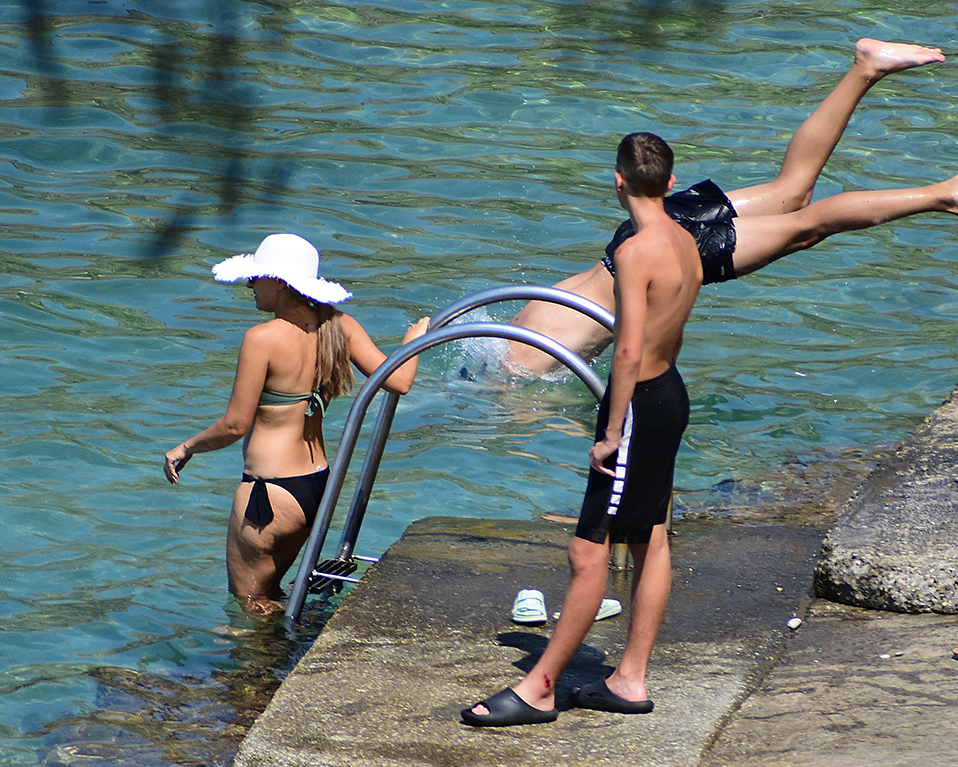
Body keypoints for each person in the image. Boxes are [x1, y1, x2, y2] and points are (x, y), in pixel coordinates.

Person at [503, 38, 958, 377]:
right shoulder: (520, 321)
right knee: (794, 191)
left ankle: (944, 193)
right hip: (641, 227)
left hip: (660, 255)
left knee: (809, 224)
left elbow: (548, 415)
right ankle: (865, 67)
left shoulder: (521, 366)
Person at [462, 132, 703, 726]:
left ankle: (540, 687)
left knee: (587, 550)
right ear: (671, 184)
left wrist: (612, 429)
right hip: (671, 394)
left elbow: (626, 351)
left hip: (641, 402)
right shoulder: (688, 241)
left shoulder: (634, 250)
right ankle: (628, 678)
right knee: (651, 538)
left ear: (617, 182)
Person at [164, 233, 430, 616]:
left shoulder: (262, 338)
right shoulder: (340, 327)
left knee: (248, 605)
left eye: (258, 277)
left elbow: (235, 425)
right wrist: (410, 344)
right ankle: (283, 661)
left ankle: (252, 676)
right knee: (273, 596)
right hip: (313, 488)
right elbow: (399, 382)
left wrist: (186, 447)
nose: (250, 284)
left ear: (282, 283)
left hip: (268, 494)